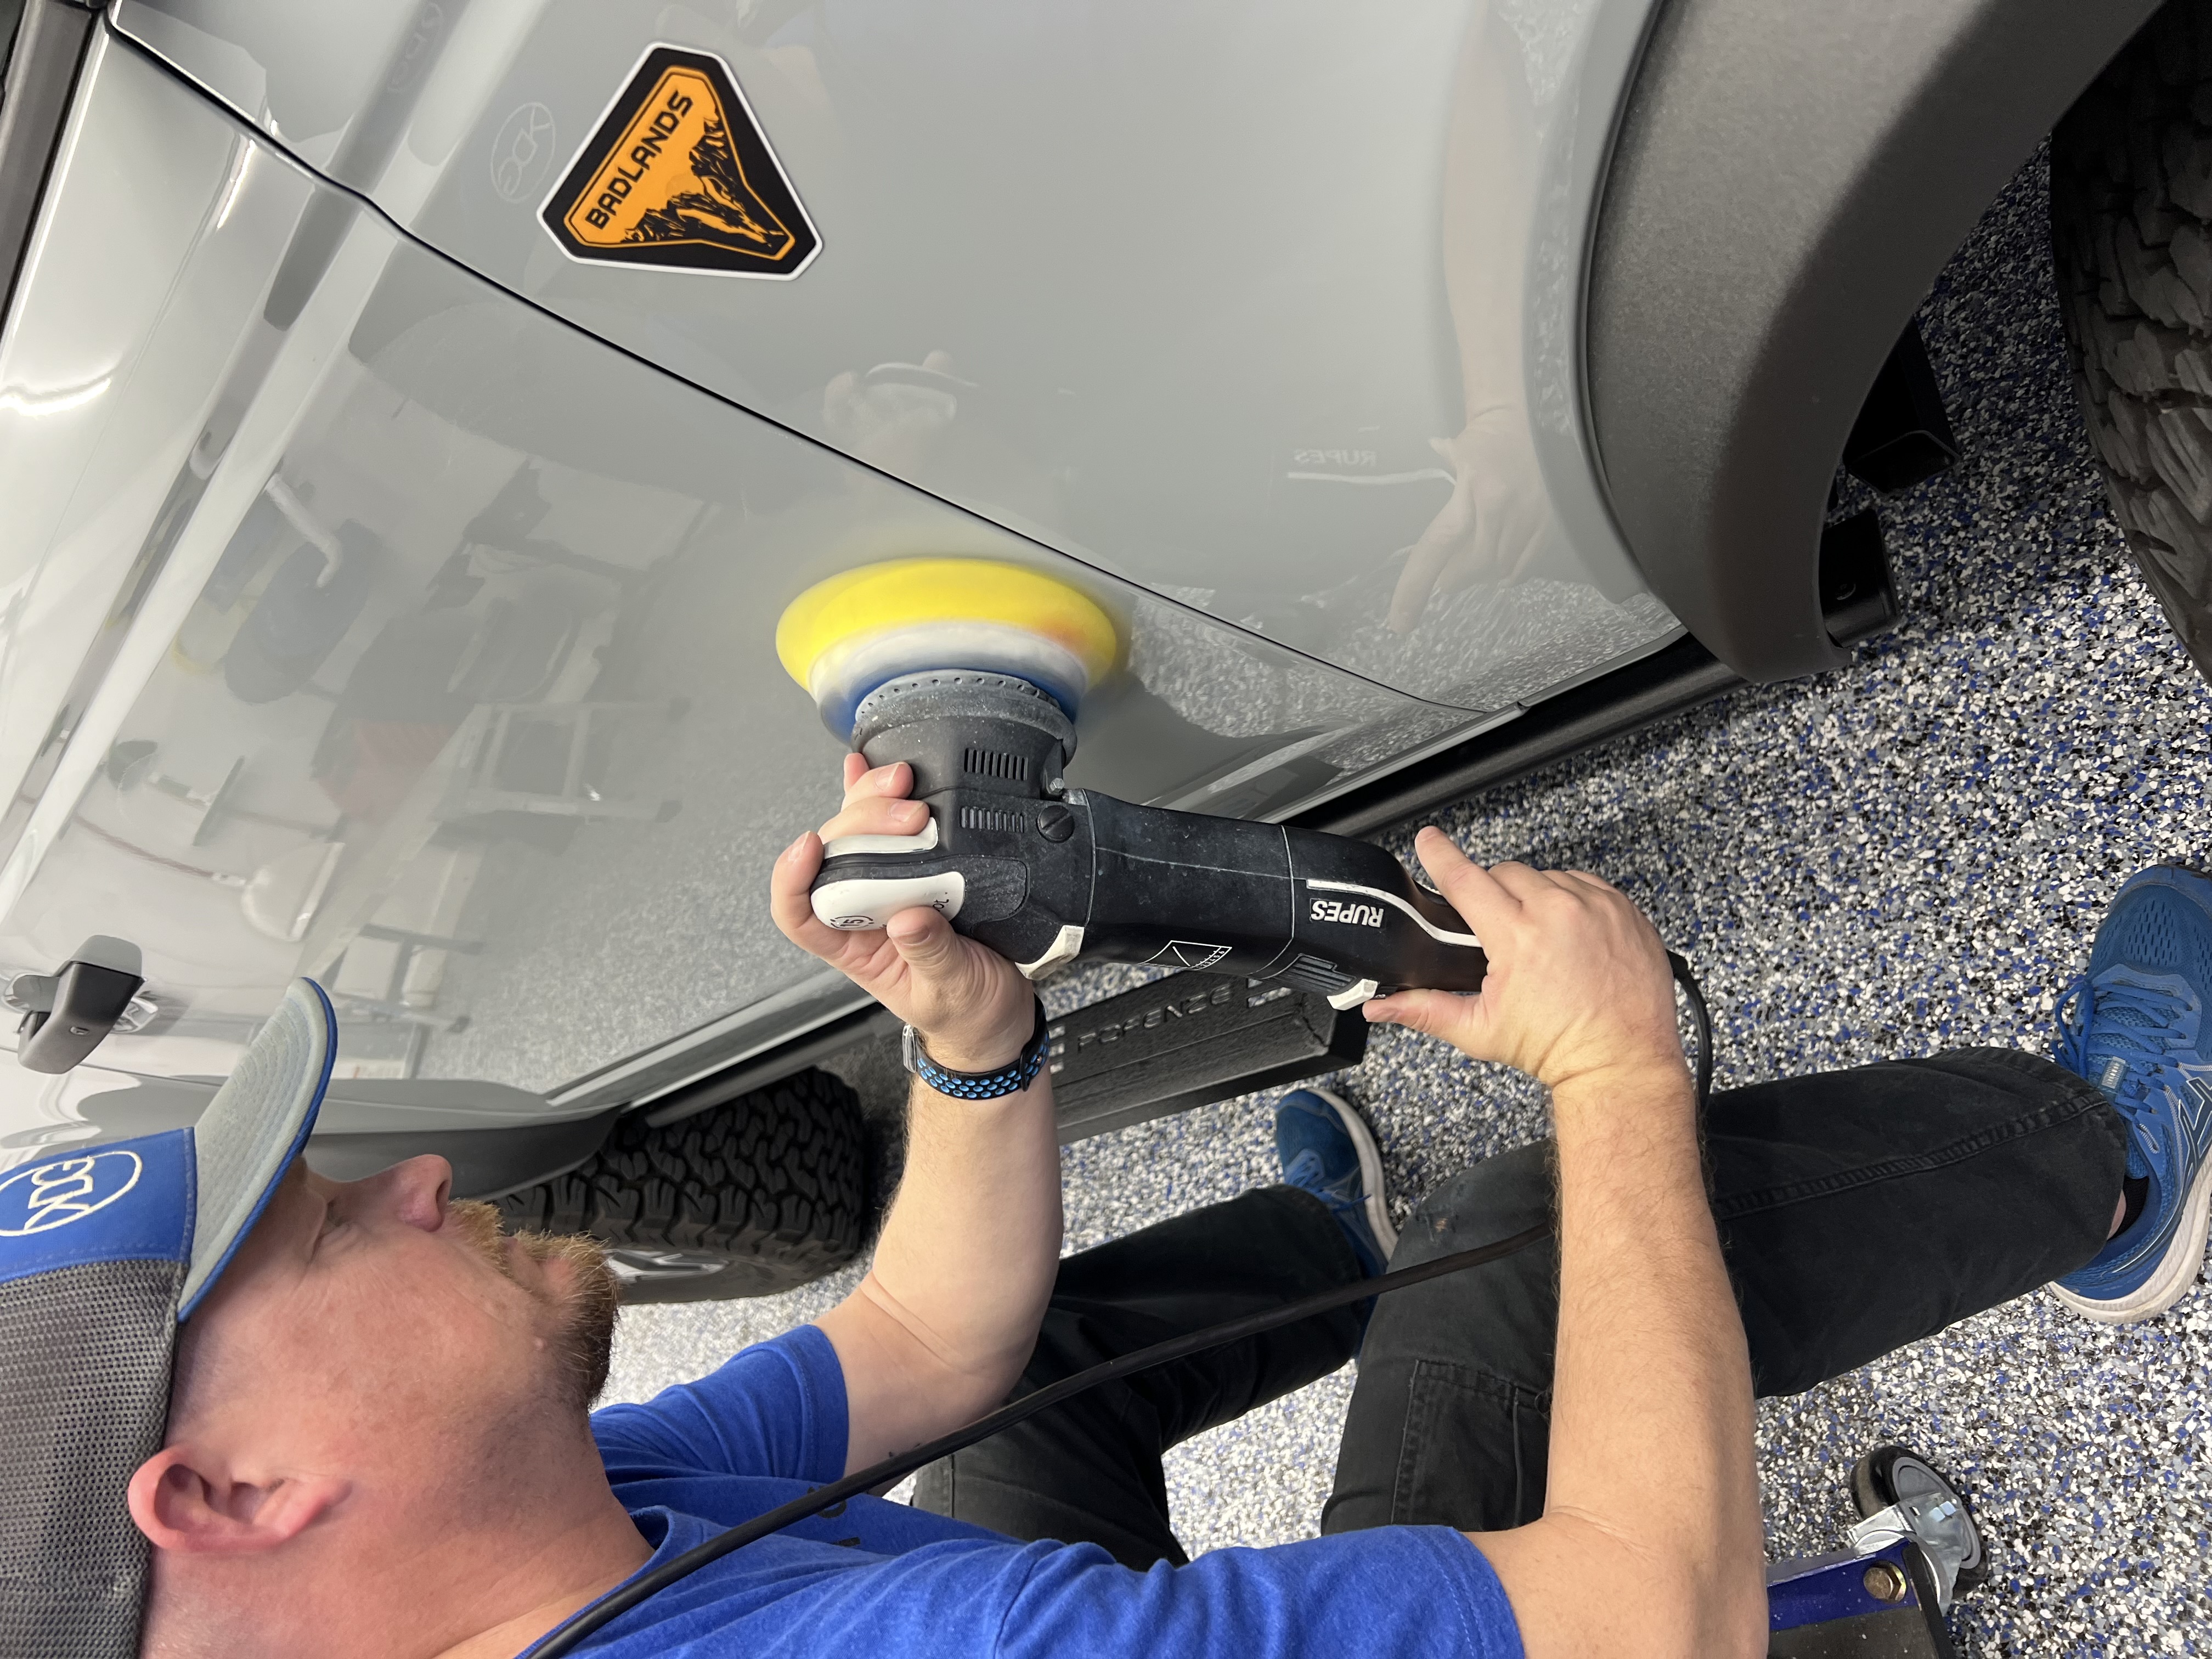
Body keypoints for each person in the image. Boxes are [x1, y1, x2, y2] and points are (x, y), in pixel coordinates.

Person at [15, 764, 2204, 1657]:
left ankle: (1339, 1249)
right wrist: (1618, 1062)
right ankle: (2104, 1163)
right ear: (227, 1490)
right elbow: (1651, 1613)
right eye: (330, 1238)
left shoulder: (532, 1531)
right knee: (1536, 1258)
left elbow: (920, 1350)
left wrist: (967, 1035)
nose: (416, 1181)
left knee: (1028, 1392)